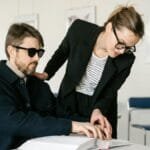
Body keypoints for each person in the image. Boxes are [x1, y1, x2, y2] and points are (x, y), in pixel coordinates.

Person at [34, 5, 144, 138]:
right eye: (121, 43)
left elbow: (110, 91)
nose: (121, 51)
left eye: (128, 48)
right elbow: (62, 52)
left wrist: (98, 110)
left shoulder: (127, 59)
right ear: (109, 27)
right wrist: (47, 73)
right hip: (70, 99)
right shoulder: (79, 29)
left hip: (100, 107)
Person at [0, 23, 109, 150]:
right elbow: (18, 122)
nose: (37, 59)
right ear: (12, 51)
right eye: (31, 52)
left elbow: (59, 114)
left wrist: (90, 123)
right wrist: (72, 126)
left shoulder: (39, 85)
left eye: (39, 53)